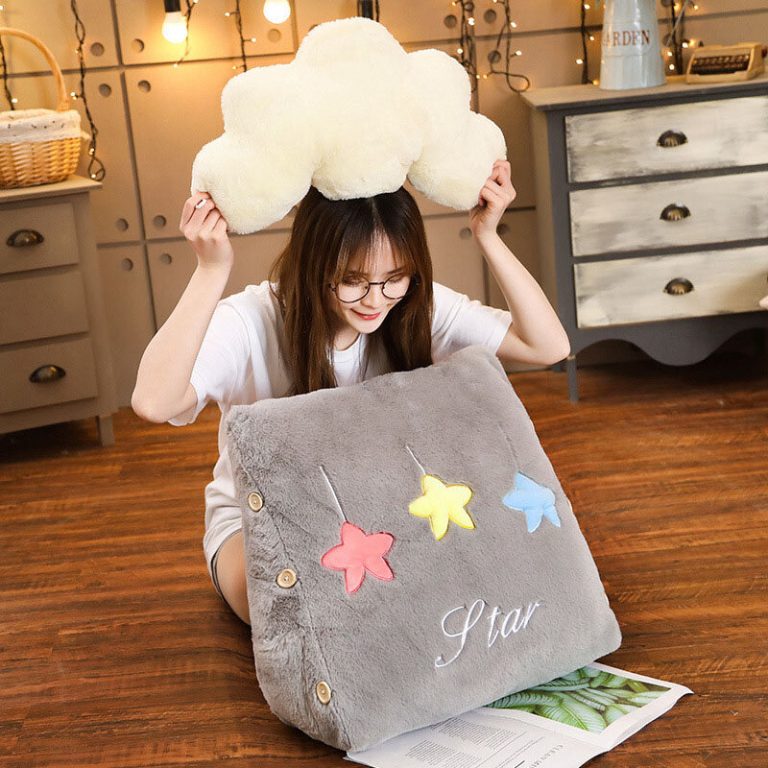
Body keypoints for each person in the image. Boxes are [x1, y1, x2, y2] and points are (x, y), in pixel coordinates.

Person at [131, 160, 570, 625]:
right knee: (305, 615)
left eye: (395, 277)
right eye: (352, 281)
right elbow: (154, 402)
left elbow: (548, 346)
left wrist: (488, 236)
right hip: (267, 522)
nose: (376, 300)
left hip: (385, 513)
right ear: (313, 265)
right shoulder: (251, 320)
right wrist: (210, 269)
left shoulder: (414, 306)